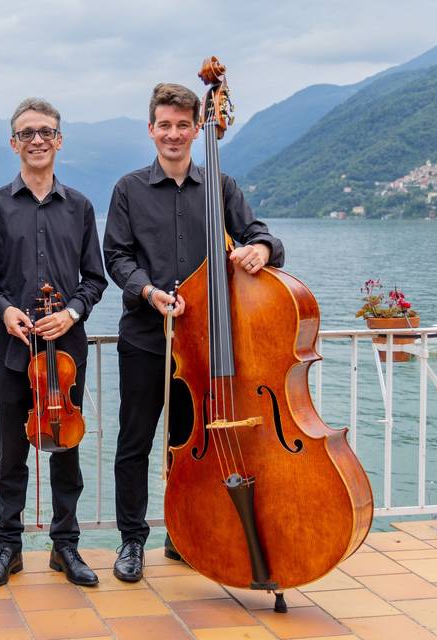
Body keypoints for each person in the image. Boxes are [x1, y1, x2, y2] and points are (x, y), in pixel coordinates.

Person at [102, 83, 284, 583]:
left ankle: (183, 534)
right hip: (145, 334)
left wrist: (261, 251)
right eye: (165, 125)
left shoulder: (220, 187)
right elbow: (116, 256)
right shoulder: (128, 189)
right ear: (151, 130)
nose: (174, 134)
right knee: (135, 441)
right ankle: (131, 542)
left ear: (197, 128)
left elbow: (262, 234)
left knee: (191, 440)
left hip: (205, 343)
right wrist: (148, 292)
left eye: (184, 125)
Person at [0, 98, 108, 587]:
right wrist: (4, 310)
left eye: (45, 131)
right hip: (13, 352)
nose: (37, 140)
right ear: (14, 143)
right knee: (12, 454)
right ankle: (8, 547)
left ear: (59, 140)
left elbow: (95, 279)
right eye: (27, 133)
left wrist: (70, 312)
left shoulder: (82, 207)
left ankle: (64, 547)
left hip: (66, 353)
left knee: (65, 449)